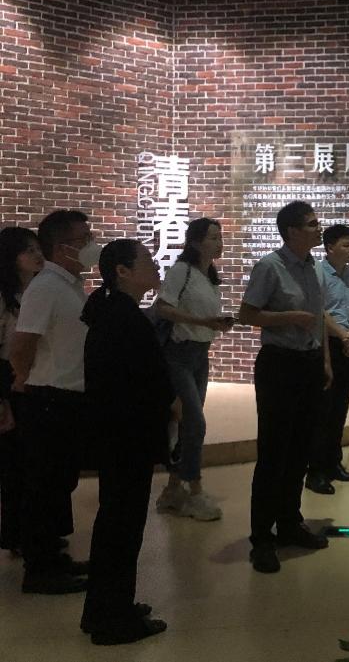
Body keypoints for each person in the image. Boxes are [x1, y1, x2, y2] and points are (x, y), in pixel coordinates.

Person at [79, 240, 172, 645]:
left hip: (119, 435)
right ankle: (113, 620)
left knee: (115, 523)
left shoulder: (112, 311)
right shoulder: (122, 317)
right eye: (147, 261)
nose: (155, 265)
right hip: (126, 436)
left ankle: (104, 608)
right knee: (122, 527)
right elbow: (138, 381)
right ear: (122, 271)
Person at [238, 200, 331, 574]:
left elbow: (319, 319)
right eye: (311, 224)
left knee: (300, 449)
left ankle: (290, 523)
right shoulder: (270, 266)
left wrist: (324, 362)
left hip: (309, 363)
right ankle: (262, 538)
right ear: (291, 231)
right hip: (279, 365)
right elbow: (247, 314)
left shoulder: (313, 267)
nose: (318, 228)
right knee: (274, 452)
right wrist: (288, 317)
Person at [10, 210, 99, 594]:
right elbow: (22, 344)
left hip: (66, 398)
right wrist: (25, 382)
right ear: (63, 247)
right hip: (48, 398)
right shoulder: (46, 286)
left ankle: (52, 556)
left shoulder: (69, 284)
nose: (91, 245)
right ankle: (40, 569)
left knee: (58, 483)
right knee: (44, 486)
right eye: (84, 239)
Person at [153, 218, 234, 521]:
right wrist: (202, 322)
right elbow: (163, 307)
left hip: (201, 354)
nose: (219, 242)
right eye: (213, 237)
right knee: (195, 422)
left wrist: (215, 324)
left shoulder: (209, 276)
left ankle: (173, 489)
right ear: (196, 242)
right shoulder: (181, 271)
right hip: (178, 354)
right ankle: (195, 491)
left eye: (220, 237)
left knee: (189, 423)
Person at [305, 224, 349, 495]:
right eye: (346, 245)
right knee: (322, 412)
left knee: (340, 409)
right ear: (330, 247)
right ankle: (315, 471)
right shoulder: (318, 272)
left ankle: (333, 463)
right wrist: (343, 335)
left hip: (347, 345)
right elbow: (319, 312)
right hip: (327, 345)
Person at [0, 227, 45, 554]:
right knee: (15, 464)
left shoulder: (39, 291)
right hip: (11, 381)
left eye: (37, 248)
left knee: (36, 462)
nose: (37, 255)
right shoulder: (5, 298)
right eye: (28, 250)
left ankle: (34, 532)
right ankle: (16, 534)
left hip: (38, 381)